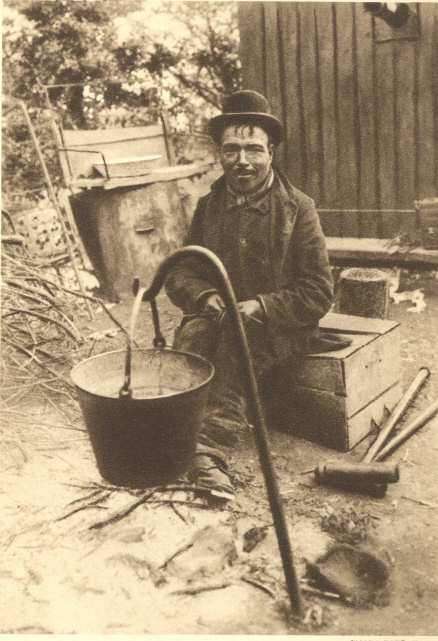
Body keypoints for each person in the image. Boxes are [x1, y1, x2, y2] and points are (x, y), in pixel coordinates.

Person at [165, 90, 343, 499]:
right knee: (192, 336)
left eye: (253, 149)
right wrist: (205, 296)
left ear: (271, 153)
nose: (242, 160)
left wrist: (260, 306)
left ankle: (208, 454)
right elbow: (181, 270)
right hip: (218, 314)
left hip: (280, 325)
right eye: (231, 149)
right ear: (220, 154)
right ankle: (174, 433)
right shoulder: (210, 206)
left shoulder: (298, 208)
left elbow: (318, 292)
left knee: (236, 344)